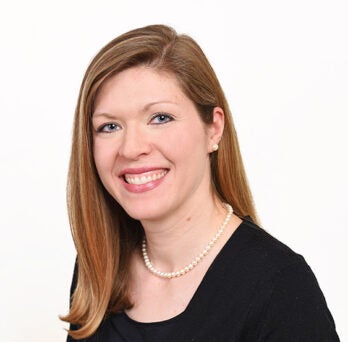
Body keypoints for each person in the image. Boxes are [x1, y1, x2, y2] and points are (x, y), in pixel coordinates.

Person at [61, 24, 340, 341]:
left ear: (214, 129)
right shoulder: (100, 265)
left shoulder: (279, 287)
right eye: (109, 126)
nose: (131, 147)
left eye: (160, 118)